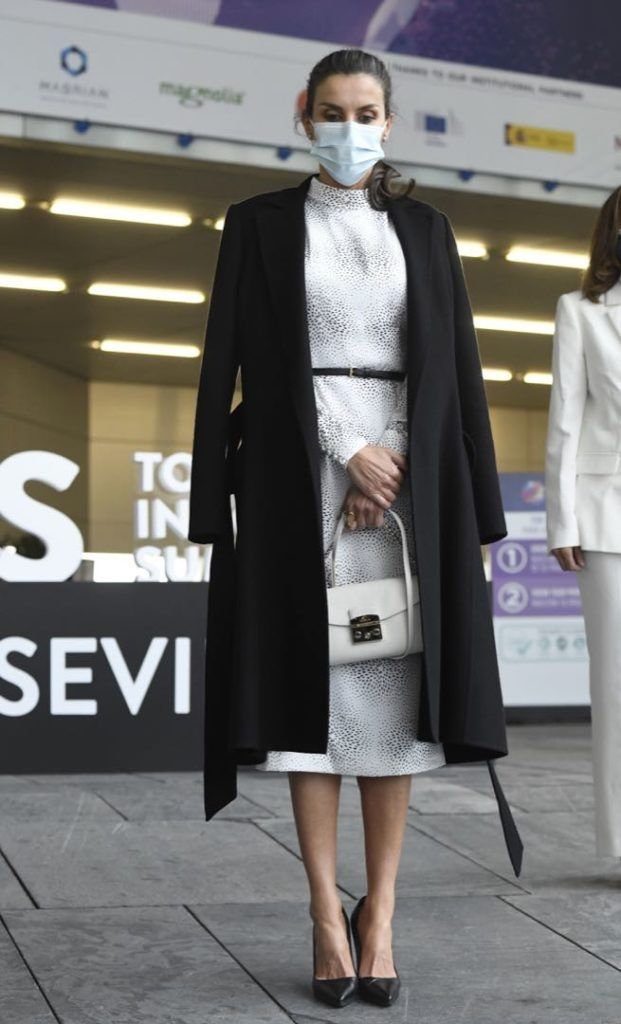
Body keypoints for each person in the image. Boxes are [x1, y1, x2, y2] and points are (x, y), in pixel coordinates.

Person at [188, 47, 522, 1011]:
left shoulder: (425, 228)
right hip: (298, 482)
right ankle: (324, 918)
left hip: (407, 490)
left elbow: (449, 363)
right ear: (305, 117)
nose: (348, 128)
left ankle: (380, 915)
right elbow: (241, 360)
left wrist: (395, 463)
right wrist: (347, 452)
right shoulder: (257, 225)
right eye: (331, 112)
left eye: (364, 112)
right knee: (314, 702)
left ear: (388, 121)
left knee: (390, 704)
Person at [545, 184, 621, 862]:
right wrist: (561, 520)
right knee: (616, 687)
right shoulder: (581, 311)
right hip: (606, 516)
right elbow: (564, 421)